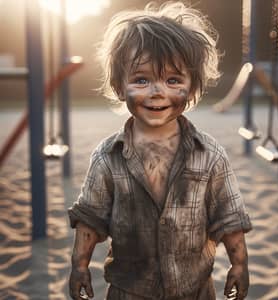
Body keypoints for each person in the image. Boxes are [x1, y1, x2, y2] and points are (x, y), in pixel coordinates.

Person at [68, 2, 252, 300]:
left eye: (173, 80)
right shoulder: (107, 157)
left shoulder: (210, 155)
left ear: (191, 88)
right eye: (141, 79)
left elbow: (229, 216)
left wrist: (240, 264)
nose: (157, 91)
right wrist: (79, 266)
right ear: (118, 86)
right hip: (129, 290)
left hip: (195, 291)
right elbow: (90, 218)